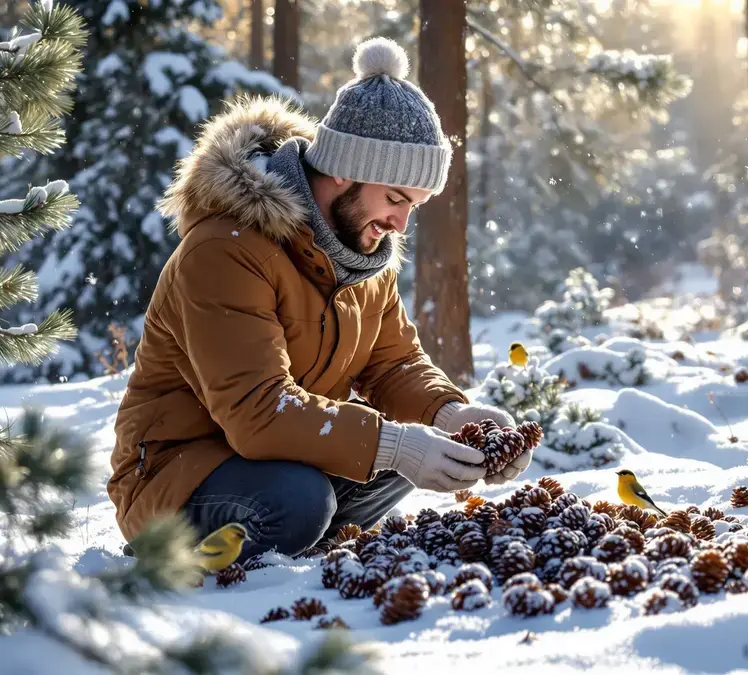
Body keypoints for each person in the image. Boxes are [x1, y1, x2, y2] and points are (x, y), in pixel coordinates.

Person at [107, 37, 528, 562]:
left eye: (413, 206)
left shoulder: (363, 252)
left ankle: (302, 547)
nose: (400, 223)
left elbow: (393, 363)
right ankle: (214, 562)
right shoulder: (227, 248)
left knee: (395, 465)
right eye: (396, 198)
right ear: (343, 170)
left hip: (275, 457)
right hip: (176, 473)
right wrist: (395, 444)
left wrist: (451, 417)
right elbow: (259, 411)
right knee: (303, 499)